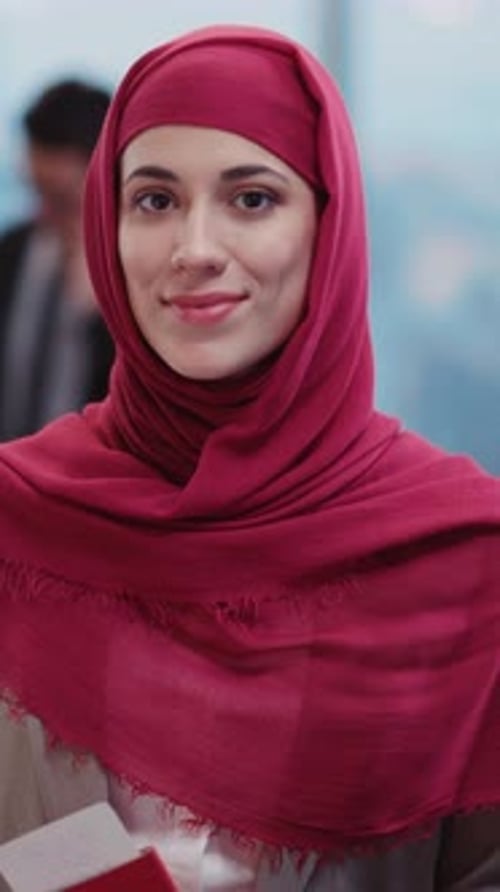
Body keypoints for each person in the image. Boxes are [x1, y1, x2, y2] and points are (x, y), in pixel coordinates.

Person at [0, 23, 500, 891]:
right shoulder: (19, 518)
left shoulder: (465, 558)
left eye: (253, 198)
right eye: (154, 200)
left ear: (329, 227)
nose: (195, 248)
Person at [0, 79, 114, 440]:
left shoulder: (129, 261)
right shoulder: (14, 248)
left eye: (45, 156)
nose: (30, 170)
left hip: (91, 470)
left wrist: (97, 314)